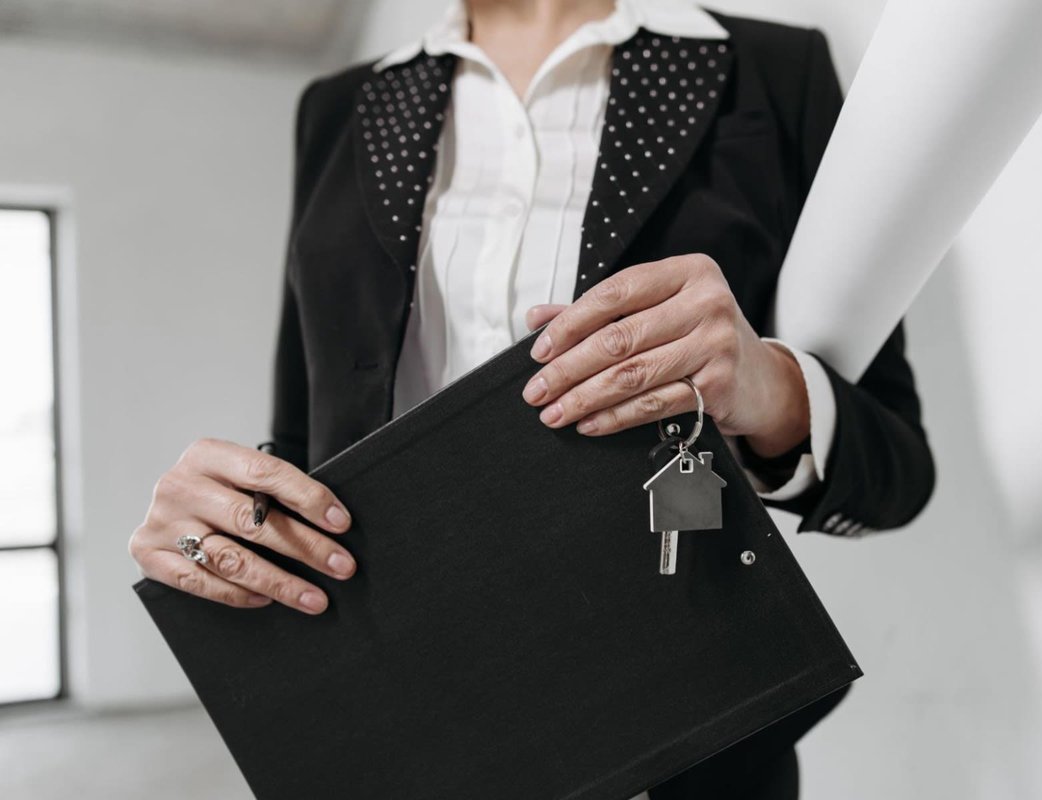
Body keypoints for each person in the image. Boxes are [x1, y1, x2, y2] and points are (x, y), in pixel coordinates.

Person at [128, 0, 936, 796]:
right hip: (402, 730)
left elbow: (897, 468)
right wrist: (227, 521)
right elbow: (305, 443)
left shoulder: (773, 68)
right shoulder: (340, 106)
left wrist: (769, 387)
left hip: (688, 731)